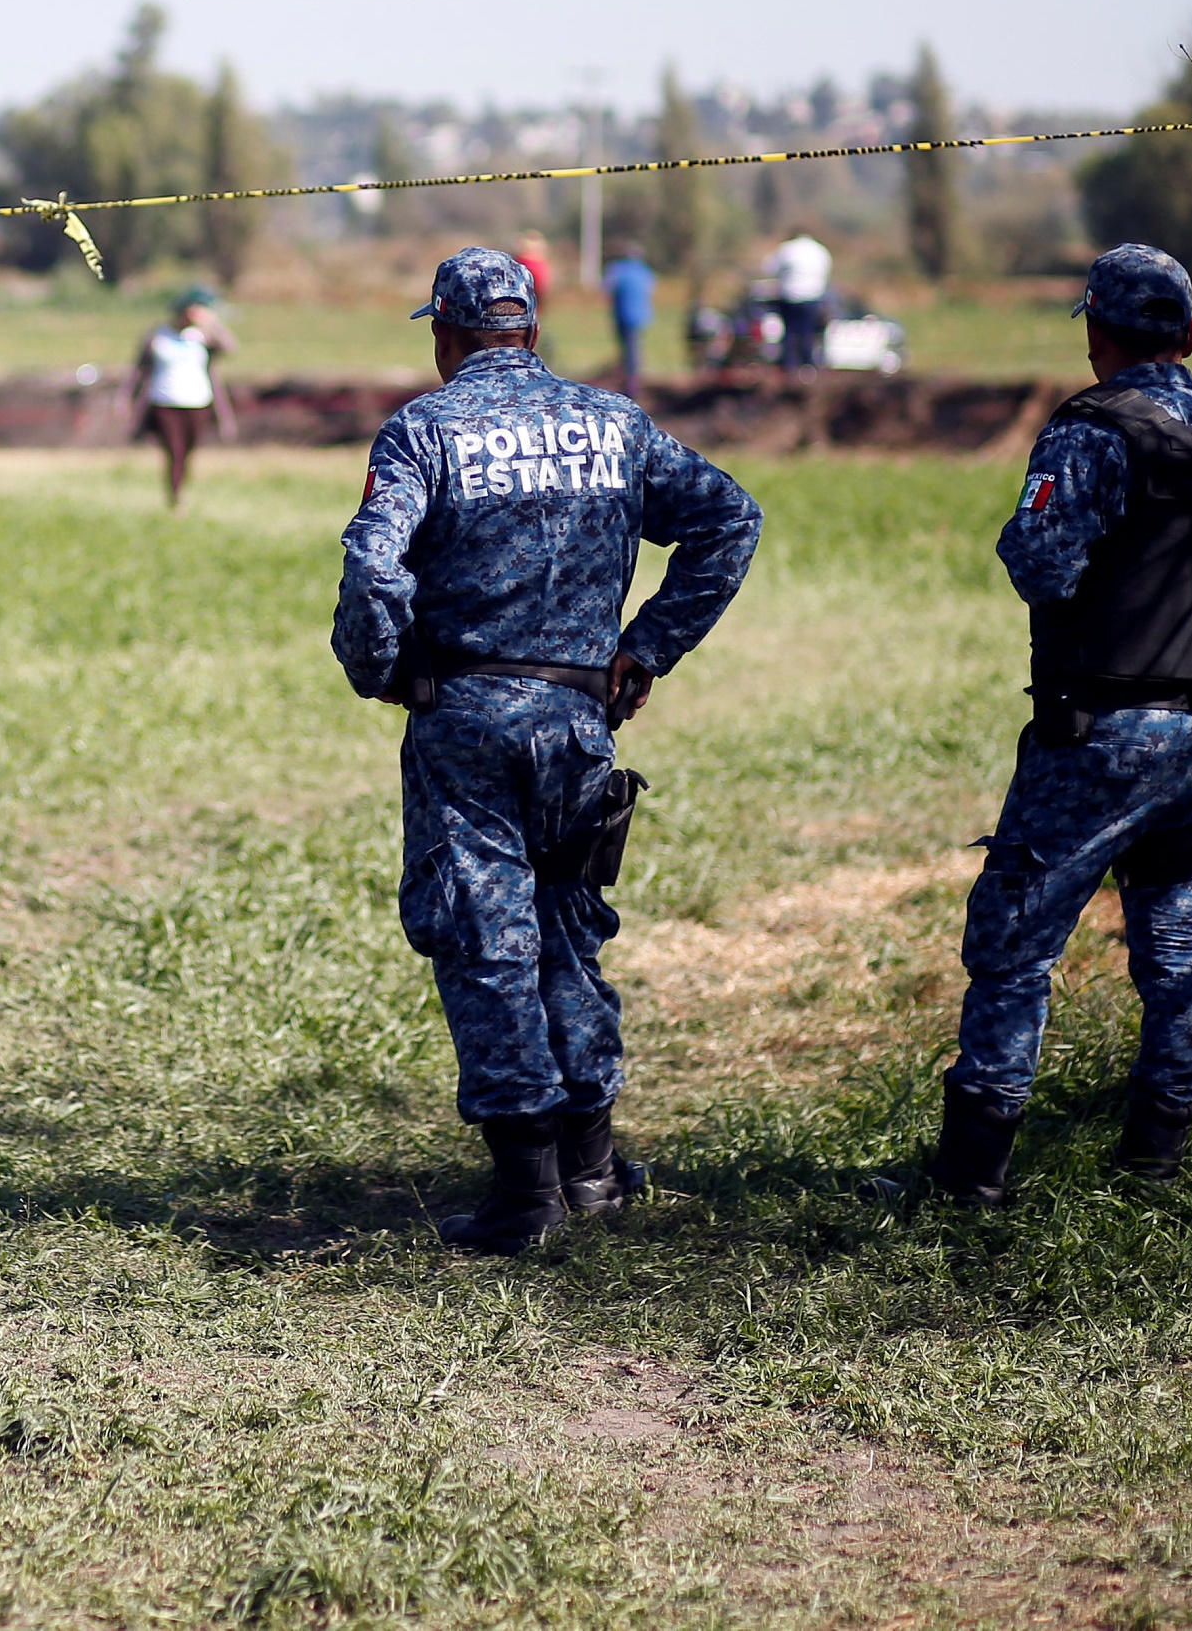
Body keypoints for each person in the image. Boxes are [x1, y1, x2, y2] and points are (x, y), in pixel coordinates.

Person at [334, 247, 763, 1255]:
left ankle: (523, 1195)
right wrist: (645, 647)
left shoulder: (423, 429)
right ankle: (591, 1169)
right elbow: (728, 520)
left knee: (487, 940)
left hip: (467, 722)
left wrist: (380, 668)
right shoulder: (612, 423)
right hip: (578, 721)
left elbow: (370, 563)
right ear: (527, 327)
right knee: (568, 930)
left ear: (445, 334)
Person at [901, 246, 1192, 1206]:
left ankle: (971, 1176)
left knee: (1013, 942)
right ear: (1191, 334)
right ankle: (1155, 1161)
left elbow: (1041, 565)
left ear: (1095, 335)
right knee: (1172, 950)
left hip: (1098, 740)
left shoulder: (1090, 431)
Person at [125, 287, 237, 510]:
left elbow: (230, 347)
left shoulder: (203, 336)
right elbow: (139, 369)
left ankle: (181, 488)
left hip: (197, 401)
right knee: (174, 451)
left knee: (188, 451)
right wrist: (127, 397)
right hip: (164, 401)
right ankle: (175, 499)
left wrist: (212, 325)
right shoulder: (158, 335)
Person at [763, 228, 832, 374]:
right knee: (807, 332)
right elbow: (826, 270)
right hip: (813, 297)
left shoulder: (787, 249)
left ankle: (789, 367)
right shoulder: (820, 250)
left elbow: (770, 268)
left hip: (790, 296)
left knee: (790, 332)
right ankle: (808, 367)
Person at [602, 240, 655, 397]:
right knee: (634, 348)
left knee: (627, 349)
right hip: (641, 316)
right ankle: (632, 380)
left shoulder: (617, 270)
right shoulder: (644, 271)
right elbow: (650, 288)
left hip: (623, 314)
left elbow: (606, 288)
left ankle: (631, 386)